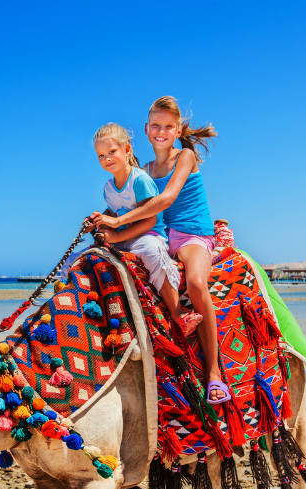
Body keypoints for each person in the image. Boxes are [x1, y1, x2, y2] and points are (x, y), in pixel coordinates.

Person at [89, 98, 228, 404]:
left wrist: (119, 221)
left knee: (194, 283)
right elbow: (130, 198)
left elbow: (165, 199)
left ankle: (215, 371)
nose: (161, 131)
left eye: (167, 126)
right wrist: (102, 221)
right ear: (146, 130)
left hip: (191, 235)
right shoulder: (145, 170)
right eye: (156, 126)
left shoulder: (186, 156)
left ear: (177, 130)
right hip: (163, 234)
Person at [90, 122, 199, 335]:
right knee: (83, 257)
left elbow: (150, 220)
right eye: (101, 156)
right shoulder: (108, 188)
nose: (107, 159)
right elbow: (115, 213)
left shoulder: (140, 181)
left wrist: (116, 234)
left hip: (148, 234)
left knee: (151, 253)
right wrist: (99, 221)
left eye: (111, 152)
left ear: (127, 149)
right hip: (124, 235)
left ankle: (177, 313)